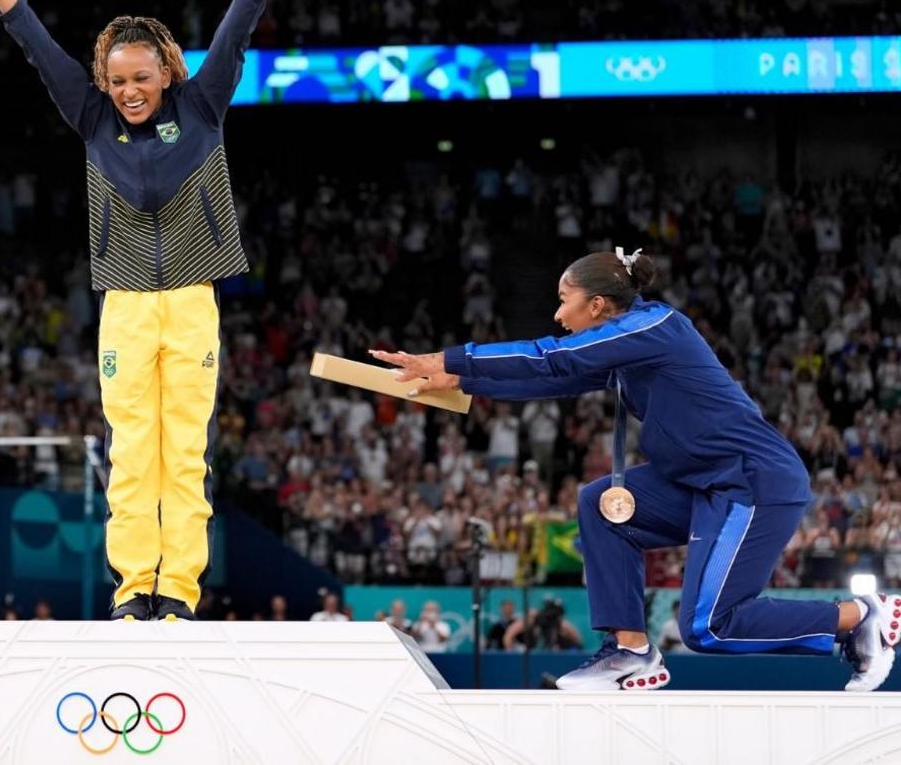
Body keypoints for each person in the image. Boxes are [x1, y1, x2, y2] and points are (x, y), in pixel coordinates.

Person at [372, 249, 900, 693]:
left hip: (752, 481)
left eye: (564, 301)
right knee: (599, 505)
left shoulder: (657, 326)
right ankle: (631, 651)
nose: (559, 314)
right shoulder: (625, 345)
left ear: (596, 304)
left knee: (707, 626)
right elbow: (555, 379)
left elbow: (552, 357)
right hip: (701, 485)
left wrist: (448, 359)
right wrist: (460, 383)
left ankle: (859, 617)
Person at [0, 0, 293, 622]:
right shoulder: (91, 120)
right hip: (124, 305)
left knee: (184, 453)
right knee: (129, 454)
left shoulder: (203, 106)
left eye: (141, 77)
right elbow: (39, 49)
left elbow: (236, 31)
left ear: (166, 72)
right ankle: (131, 590)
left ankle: (176, 590)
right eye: (117, 80)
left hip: (190, 302)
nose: (129, 91)